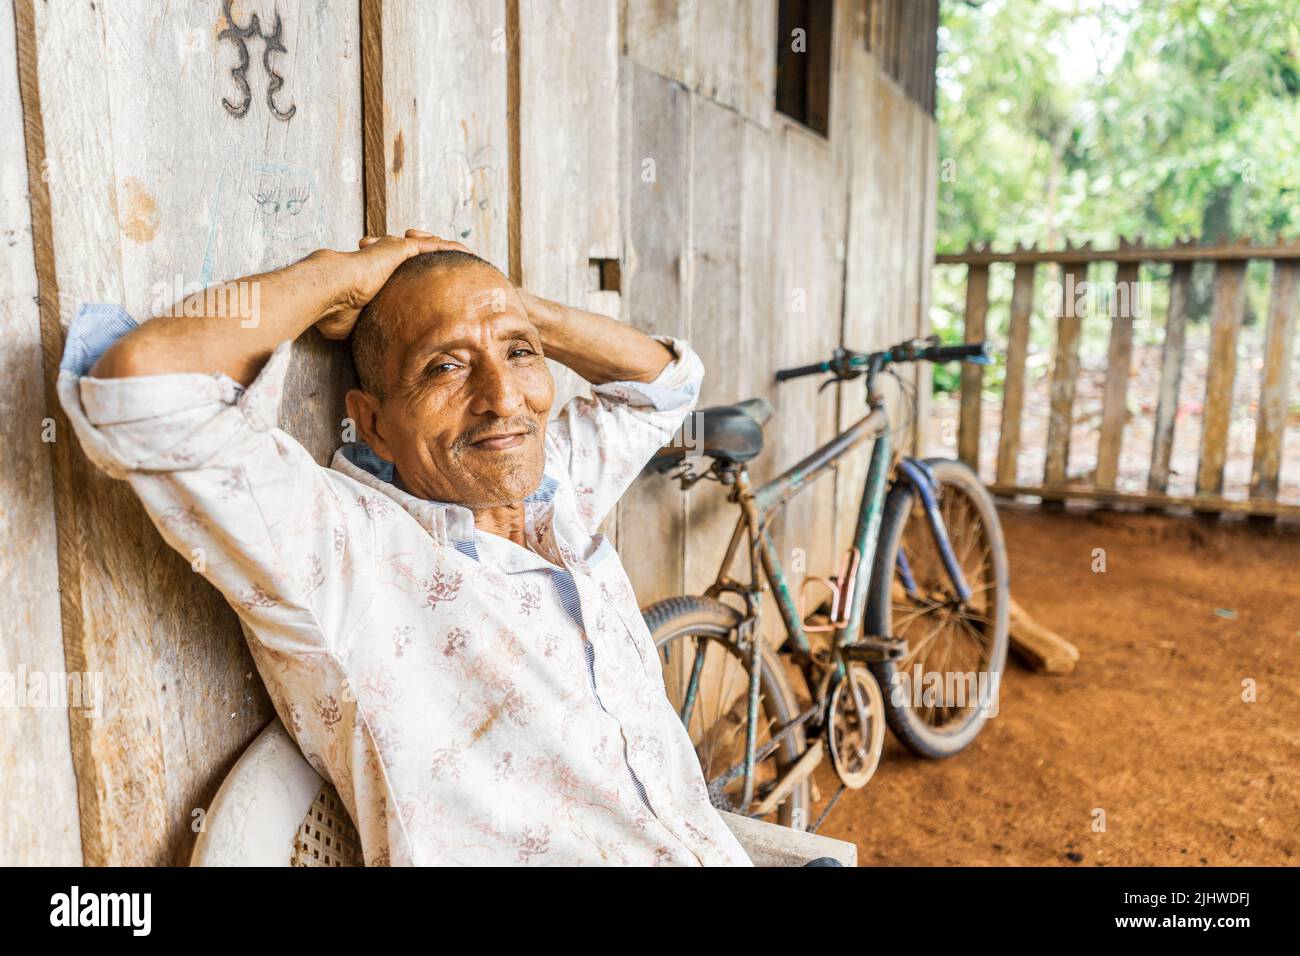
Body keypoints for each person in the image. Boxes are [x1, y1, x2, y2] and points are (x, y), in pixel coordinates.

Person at [57, 229, 753, 866]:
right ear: (373, 424)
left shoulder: (552, 488)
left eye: (520, 355)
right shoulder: (345, 551)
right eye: (445, 367)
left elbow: (662, 387)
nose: (504, 398)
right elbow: (145, 386)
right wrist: (337, 278)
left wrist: (506, 306)